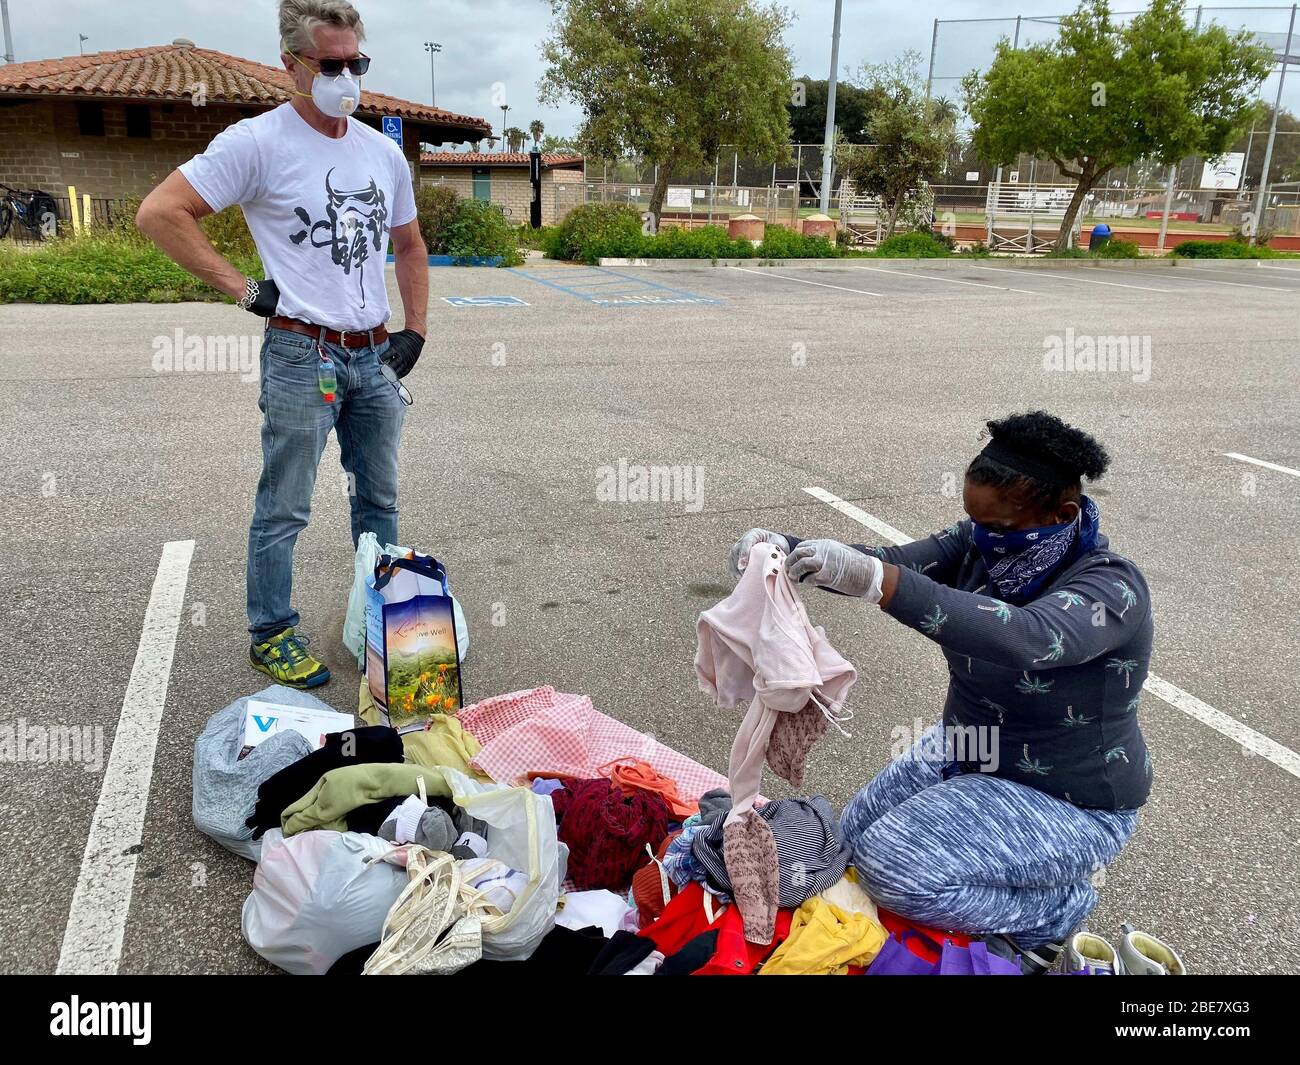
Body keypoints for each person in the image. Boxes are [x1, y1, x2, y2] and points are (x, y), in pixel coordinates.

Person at [730, 410, 1153, 972]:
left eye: (999, 526)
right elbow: (889, 566)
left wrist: (881, 585)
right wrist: (786, 550)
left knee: (891, 868)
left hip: (1069, 797)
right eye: (975, 522)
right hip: (968, 748)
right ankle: (992, 868)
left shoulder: (1110, 588)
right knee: (849, 843)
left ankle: (1057, 908)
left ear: (1063, 514)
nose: (984, 537)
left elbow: (1030, 637)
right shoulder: (983, 545)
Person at [137, 0, 428, 688]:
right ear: (291, 66)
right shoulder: (256, 142)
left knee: (380, 499)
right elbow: (161, 212)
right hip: (303, 353)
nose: (347, 77)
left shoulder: (381, 152)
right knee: (286, 503)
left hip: (374, 352)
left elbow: (410, 244)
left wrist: (415, 328)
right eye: (331, 64)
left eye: (357, 62)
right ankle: (271, 630)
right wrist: (242, 288)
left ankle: (381, 618)